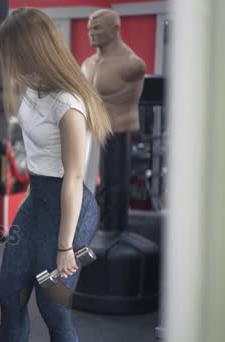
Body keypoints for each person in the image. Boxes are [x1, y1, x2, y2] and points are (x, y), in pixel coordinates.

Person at [0, 8, 112, 342]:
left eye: (10, 53)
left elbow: (74, 178)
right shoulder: (32, 88)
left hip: (70, 209)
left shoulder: (67, 102)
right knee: (10, 295)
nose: (6, 61)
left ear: (30, 50)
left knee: (53, 308)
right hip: (38, 203)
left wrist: (65, 247)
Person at [82, 8, 146, 232]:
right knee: (84, 191)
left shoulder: (132, 65)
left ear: (115, 29)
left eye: (97, 28)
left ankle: (115, 237)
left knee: (114, 192)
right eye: (90, 28)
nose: (91, 33)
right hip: (90, 134)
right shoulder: (88, 64)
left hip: (117, 131)